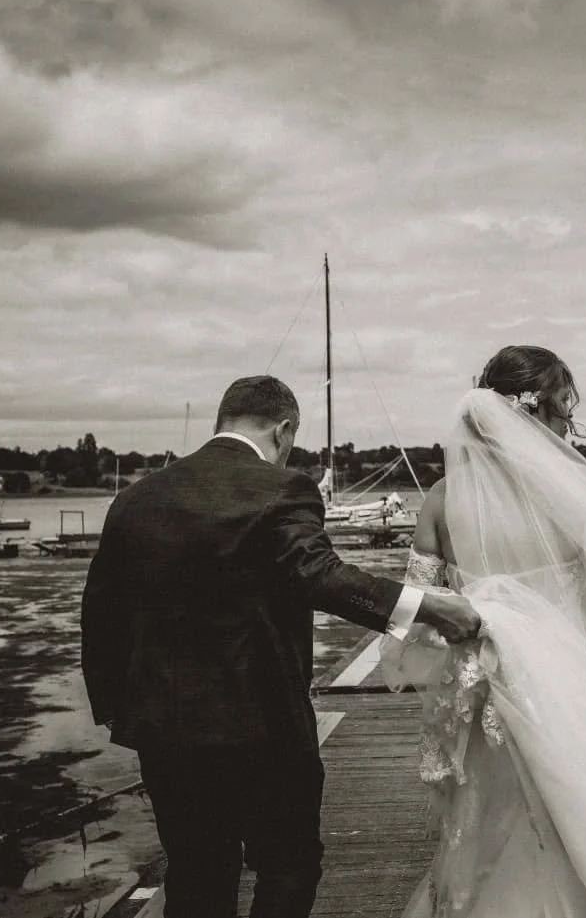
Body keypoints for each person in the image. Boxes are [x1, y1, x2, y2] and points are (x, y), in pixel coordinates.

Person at [81, 375, 480, 918]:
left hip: (167, 731)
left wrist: (117, 712)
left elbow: (102, 614)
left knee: (195, 870)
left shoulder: (136, 498)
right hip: (263, 725)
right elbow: (319, 574)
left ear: (221, 420)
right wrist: (427, 606)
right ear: (284, 428)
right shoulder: (282, 488)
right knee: (288, 862)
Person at [382, 345, 586, 918]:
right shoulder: (577, 497)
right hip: (576, 691)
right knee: (580, 829)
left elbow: (409, 618)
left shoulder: (441, 500)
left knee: (488, 830)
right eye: (564, 412)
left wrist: (465, 639)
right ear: (544, 413)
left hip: (485, 699)